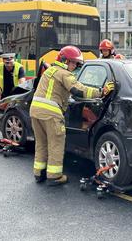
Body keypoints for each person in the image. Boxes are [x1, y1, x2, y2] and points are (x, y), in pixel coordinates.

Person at [30, 45, 114, 186]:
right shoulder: (64, 73)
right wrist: (101, 91)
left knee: (41, 143)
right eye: (73, 62)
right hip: (51, 114)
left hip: (35, 111)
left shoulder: (50, 70)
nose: (75, 66)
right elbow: (78, 90)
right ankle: (54, 176)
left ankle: (39, 173)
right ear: (65, 60)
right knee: (56, 144)